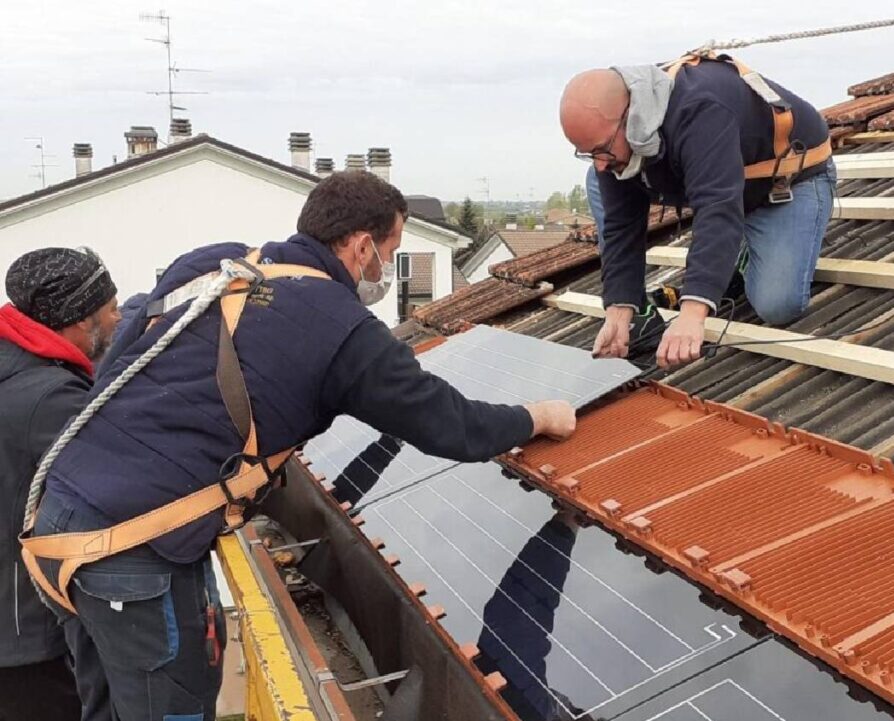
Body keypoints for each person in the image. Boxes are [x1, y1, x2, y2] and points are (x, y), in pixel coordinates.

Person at [26, 170, 577, 721]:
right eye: (391, 250)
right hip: (132, 551)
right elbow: (452, 426)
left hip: (56, 523)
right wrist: (536, 416)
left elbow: (120, 356)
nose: (387, 268)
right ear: (363, 246)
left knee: (101, 707)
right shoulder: (341, 328)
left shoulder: (216, 262)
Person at [560, 56, 836, 368]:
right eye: (588, 153)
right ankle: (640, 313)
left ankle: (744, 257)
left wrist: (692, 314)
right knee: (598, 181)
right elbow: (621, 225)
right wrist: (618, 308)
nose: (599, 162)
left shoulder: (700, 110)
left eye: (600, 149)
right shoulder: (617, 141)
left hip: (786, 184)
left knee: (778, 305)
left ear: (633, 119)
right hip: (723, 180)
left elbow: (717, 208)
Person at [0, 247, 119, 721]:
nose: (118, 318)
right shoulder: (51, 399)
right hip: (23, 635)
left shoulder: (15, 371)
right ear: (77, 321)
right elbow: (114, 485)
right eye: (110, 308)